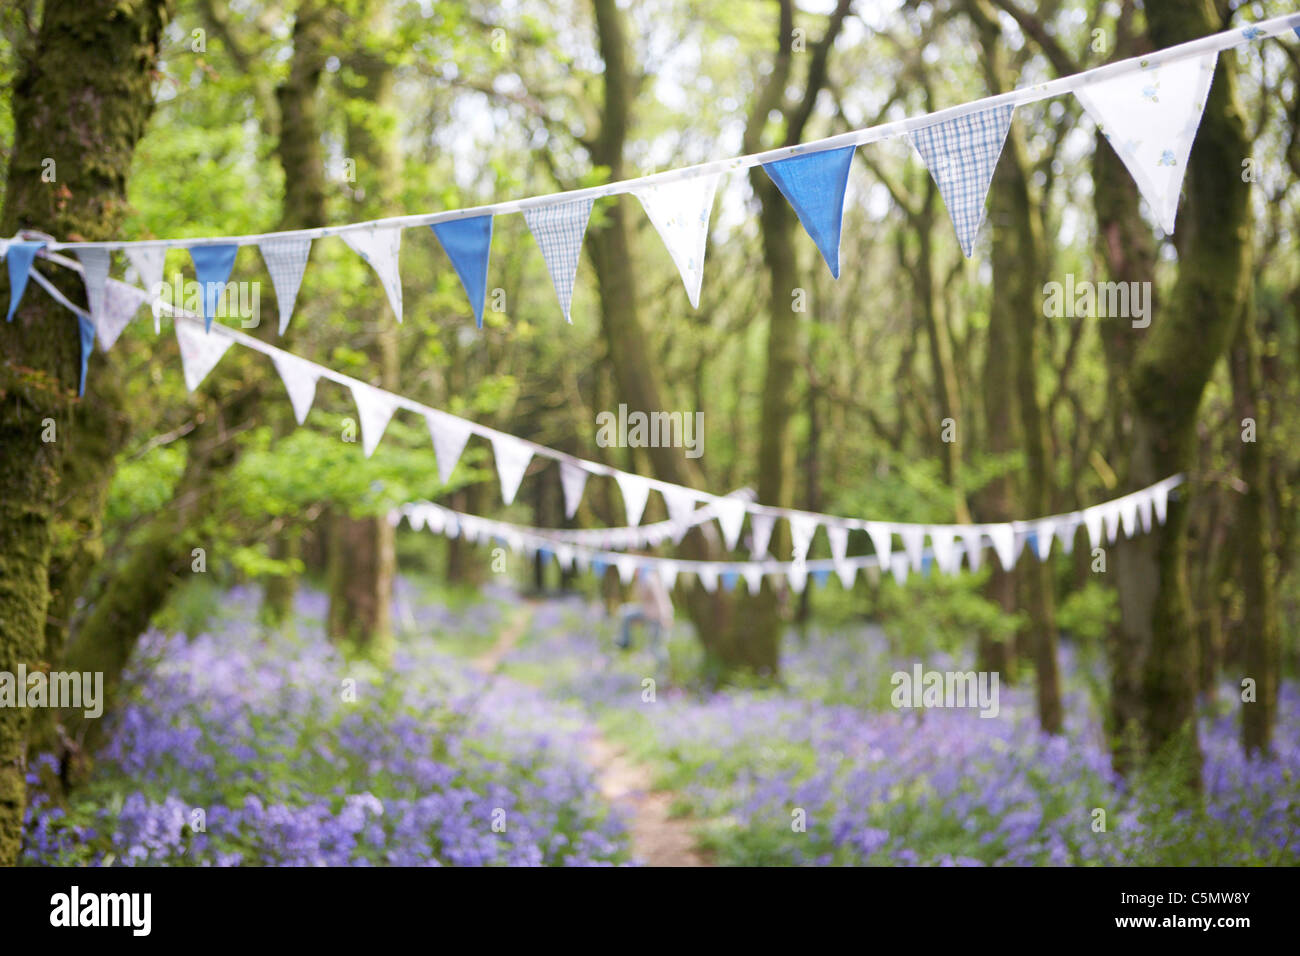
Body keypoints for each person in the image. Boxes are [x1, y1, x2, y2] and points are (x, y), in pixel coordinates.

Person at [616, 563, 674, 664]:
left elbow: (660, 599)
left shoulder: (650, 579)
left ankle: (664, 670)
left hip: (659, 616)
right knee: (625, 613)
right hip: (650, 614)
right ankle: (625, 641)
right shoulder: (644, 580)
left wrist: (666, 617)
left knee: (656, 646)